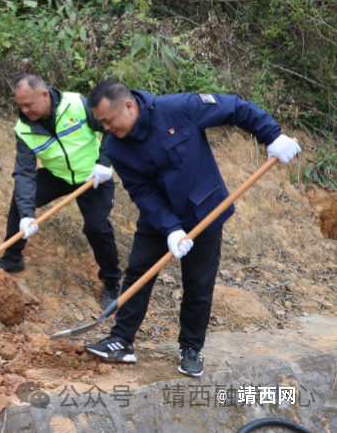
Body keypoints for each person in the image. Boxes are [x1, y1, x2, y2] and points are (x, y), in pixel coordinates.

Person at [83, 80, 300, 377]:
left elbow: (235, 107)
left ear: (129, 106)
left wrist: (272, 135)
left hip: (205, 212)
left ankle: (191, 348)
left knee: (198, 284)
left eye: (108, 120)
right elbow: (142, 191)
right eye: (101, 123)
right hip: (158, 219)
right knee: (138, 275)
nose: (107, 128)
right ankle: (121, 340)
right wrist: (170, 229)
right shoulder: (116, 148)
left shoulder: (179, 108)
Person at [0, 74, 122, 310]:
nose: (25, 110)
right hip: (57, 175)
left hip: (92, 175)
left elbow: (111, 126)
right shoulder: (24, 129)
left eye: (29, 104)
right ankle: (12, 258)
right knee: (20, 201)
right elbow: (25, 173)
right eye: (21, 105)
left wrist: (104, 161)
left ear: (45, 95)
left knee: (97, 227)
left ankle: (112, 281)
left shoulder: (77, 104)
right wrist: (27, 213)